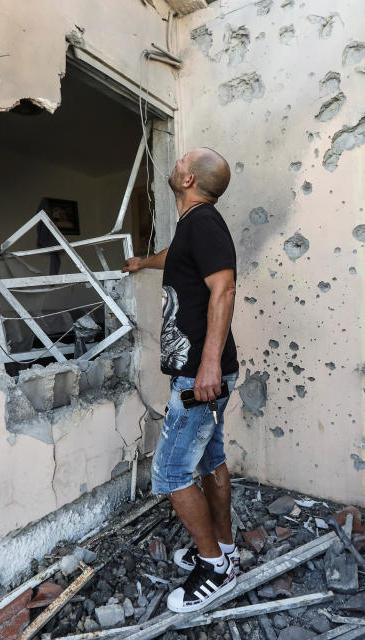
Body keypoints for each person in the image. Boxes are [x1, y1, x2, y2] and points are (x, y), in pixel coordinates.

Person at [122, 147, 240, 613]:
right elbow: (177, 257)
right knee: (210, 458)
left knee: (170, 472)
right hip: (202, 372)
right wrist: (144, 263)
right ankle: (225, 549)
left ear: (189, 180)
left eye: (180, 163)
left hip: (200, 375)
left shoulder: (205, 222)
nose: (174, 165)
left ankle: (215, 569)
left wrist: (208, 365)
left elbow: (224, 288)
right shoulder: (194, 227)